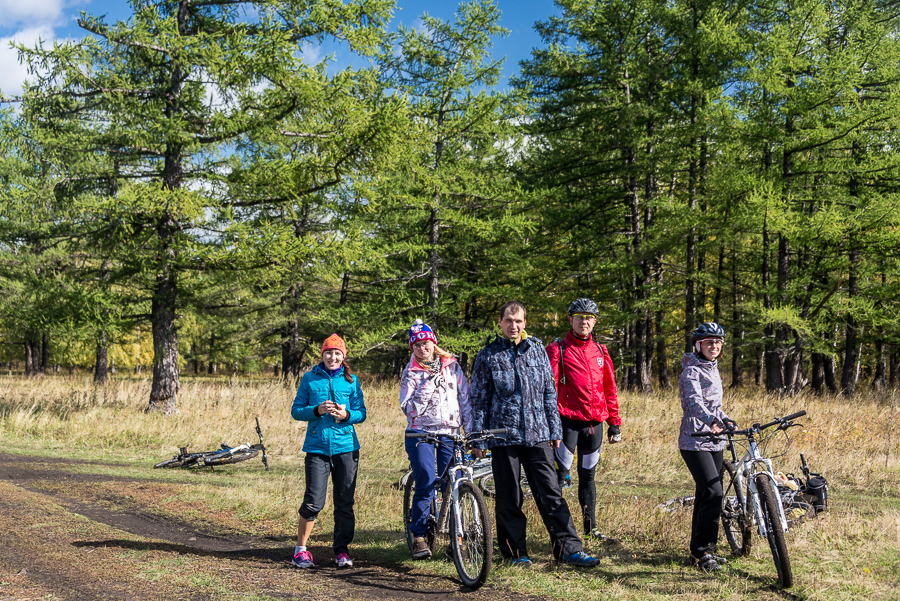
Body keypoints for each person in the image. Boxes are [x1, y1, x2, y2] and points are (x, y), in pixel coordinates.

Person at [469, 300, 599, 568]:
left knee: (551, 492)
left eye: (518, 321)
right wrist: (478, 439)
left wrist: (554, 429)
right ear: (500, 322)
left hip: (538, 434)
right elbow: (479, 400)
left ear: (525, 323)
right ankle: (516, 553)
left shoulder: (537, 350)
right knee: (509, 496)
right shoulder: (488, 355)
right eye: (508, 321)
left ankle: (568, 549)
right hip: (503, 436)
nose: (513, 326)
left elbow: (549, 393)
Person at [546, 298, 622, 541]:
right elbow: (547, 389)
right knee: (558, 479)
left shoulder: (600, 351)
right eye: (579, 316)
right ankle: (558, 532)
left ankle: (591, 528)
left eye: (589, 317)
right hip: (566, 423)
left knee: (588, 477)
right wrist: (549, 424)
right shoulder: (558, 348)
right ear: (570, 319)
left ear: (595, 321)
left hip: (594, 425)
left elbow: (609, 388)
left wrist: (615, 422)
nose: (584, 321)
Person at [290, 333, 367, 569]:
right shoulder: (310, 379)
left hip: (346, 448)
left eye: (337, 353)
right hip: (317, 448)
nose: (332, 357)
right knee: (313, 501)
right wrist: (317, 410)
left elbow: (361, 413)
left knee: (344, 502)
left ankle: (341, 552)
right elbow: (296, 410)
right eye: (328, 353)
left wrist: (346, 415)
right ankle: (300, 550)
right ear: (322, 354)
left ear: (343, 356)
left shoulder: (351, 380)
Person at [400, 319, 472, 560]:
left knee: (454, 485)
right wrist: (428, 383)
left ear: (434, 342)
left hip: (450, 433)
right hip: (420, 434)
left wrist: (470, 433)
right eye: (417, 345)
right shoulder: (411, 372)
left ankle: (456, 538)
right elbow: (410, 410)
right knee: (426, 482)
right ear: (412, 348)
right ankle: (419, 536)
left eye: (426, 343)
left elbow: (465, 400)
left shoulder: (452, 366)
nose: (423, 348)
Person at [679, 322, 735, 572]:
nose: (714, 346)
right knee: (713, 493)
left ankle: (702, 551)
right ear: (698, 345)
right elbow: (693, 404)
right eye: (709, 342)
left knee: (707, 495)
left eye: (718, 342)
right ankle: (703, 552)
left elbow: (714, 406)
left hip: (714, 439)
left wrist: (724, 419)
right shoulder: (691, 371)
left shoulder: (713, 370)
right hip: (694, 439)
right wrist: (713, 420)